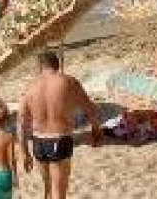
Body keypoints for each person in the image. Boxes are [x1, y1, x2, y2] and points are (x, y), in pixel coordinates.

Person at [20, 52, 100, 199]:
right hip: (59, 139)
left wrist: (24, 152)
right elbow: (91, 110)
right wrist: (96, 130)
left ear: (40, 67)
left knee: (48, 190)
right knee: (59, 193)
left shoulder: (30, 88)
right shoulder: (69, 82)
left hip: (38, 141)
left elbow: (22, 123)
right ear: (57, 65)